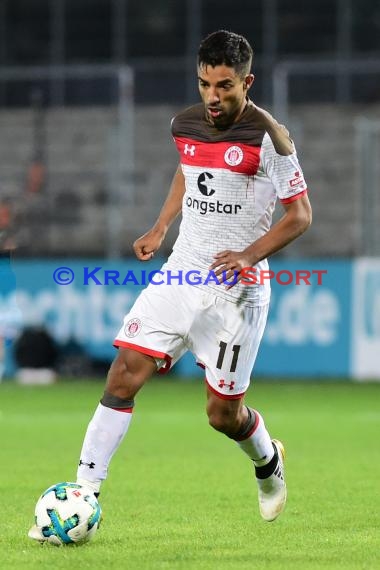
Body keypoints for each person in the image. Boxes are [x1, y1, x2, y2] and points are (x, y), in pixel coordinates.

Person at [33, 29, 312, 536]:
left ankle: (268, 459)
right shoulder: (185, 123)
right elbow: (187, 170)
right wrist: (161, 227)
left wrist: (249, 254)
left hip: (238, 290)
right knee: (124, 372)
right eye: (205, 83)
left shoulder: (270, 138)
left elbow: (301, 216)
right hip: (181, 272)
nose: (213, 96)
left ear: (247, 82)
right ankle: (84, 493)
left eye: (224, 85)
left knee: (222, 415)